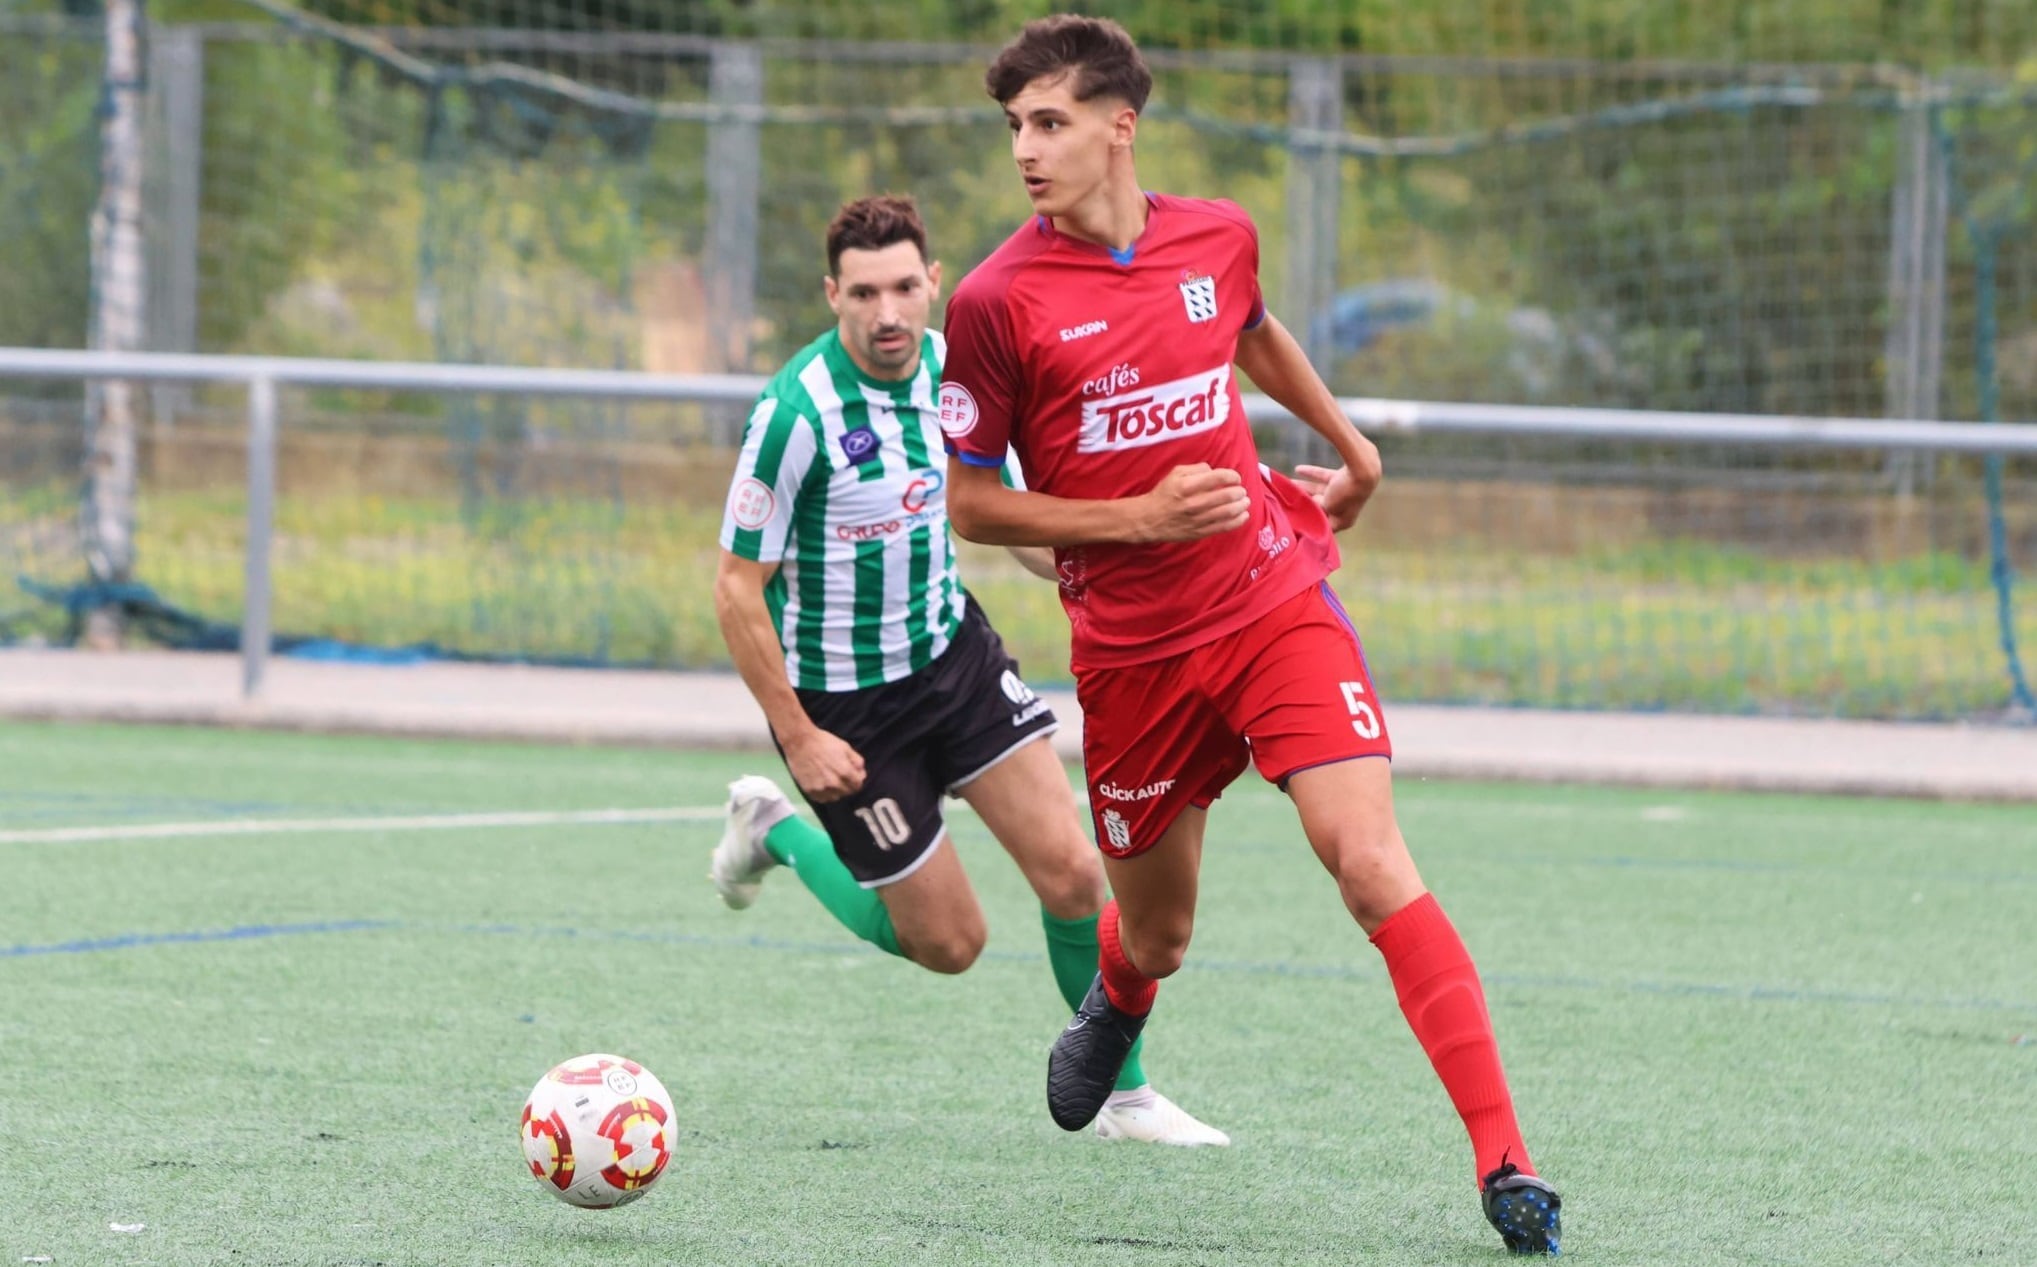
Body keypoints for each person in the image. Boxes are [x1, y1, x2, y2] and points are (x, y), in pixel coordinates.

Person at [938, 17, 1561, 1254]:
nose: (1026, 146)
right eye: (1015, 125)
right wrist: (1136, 516)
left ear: (1122, 124)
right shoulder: (995, 299)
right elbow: (966, 498)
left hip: (1273, 599)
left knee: (1370, 862)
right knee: (1161, 931)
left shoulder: (1216, 233)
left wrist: (1350, 440)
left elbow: (1251, 324)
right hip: (1131, 658)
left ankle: (1508, 1166)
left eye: (1049, 120)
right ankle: (1118, 997)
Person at [710, 193, 1227, 1147]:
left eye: (905, 286)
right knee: (950, 945)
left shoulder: (956, 370)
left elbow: (1014, 514)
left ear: (934, 281)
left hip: (955, 658)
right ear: (832, 295)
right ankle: (773, 828)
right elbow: (738, 589)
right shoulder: (793, 415)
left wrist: (1114, 562)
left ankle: (1125, 1095)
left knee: (1076, 875)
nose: (888, 312)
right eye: (863, 292)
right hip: (847, 709)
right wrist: (798, 734)